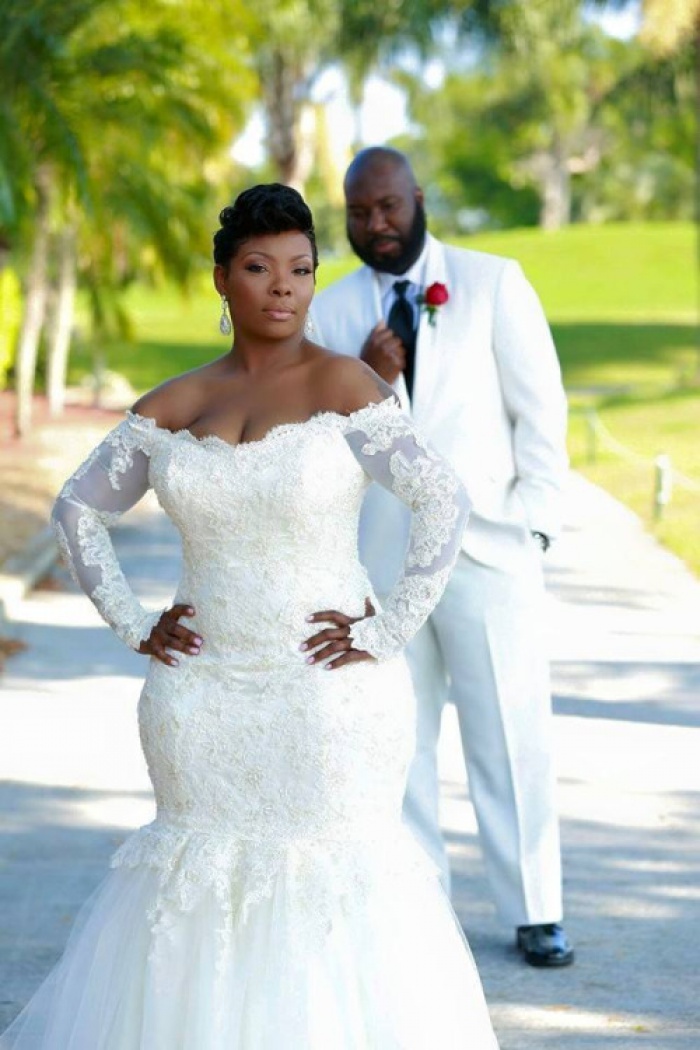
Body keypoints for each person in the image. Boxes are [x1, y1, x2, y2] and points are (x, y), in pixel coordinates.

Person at [0, 184, 499, 1049]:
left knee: (333, 882)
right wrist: (132, 621)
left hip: (326, 696)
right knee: (193, 883)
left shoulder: (346, 384)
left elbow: (442, 502)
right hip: (199, 701)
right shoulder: (174, 404)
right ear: (222, 280)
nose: (284, 287)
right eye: (260, 268)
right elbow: (77, 510)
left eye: (301, 269)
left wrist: (385, 630)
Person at [310, 147, 574, 968]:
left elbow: (542, 412)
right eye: (359, 213)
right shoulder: (330, 312)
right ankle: (423, 907)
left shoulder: (495, 282)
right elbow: (315, 442)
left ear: (417, 198)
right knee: (401, 738)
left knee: (509, 728)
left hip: (489, 550)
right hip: (384, 569)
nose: (376, 226)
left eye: (386, 207)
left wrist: (534, 526)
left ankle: (536, 909)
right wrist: (365, 375)